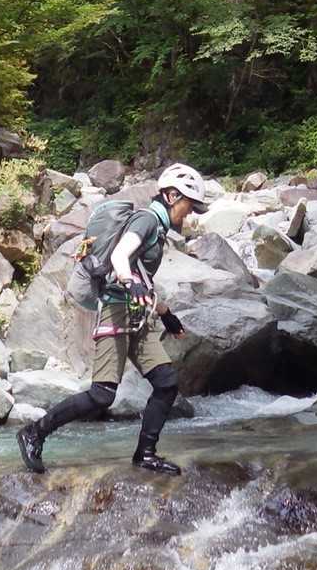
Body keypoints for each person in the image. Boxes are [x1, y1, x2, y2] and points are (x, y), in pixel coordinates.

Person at [15, 163, 210, 476]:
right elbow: (120, 256)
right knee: (102, 395)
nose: (190, 214)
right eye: (189, 205)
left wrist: (166, 314)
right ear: (172, 196)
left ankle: (145, 454)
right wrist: (129, 281)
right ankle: (34, 433)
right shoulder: (147, 220)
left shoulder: (158, 229)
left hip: (138, 316)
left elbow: (142, 276)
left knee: (166, 383)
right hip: (116, 312)